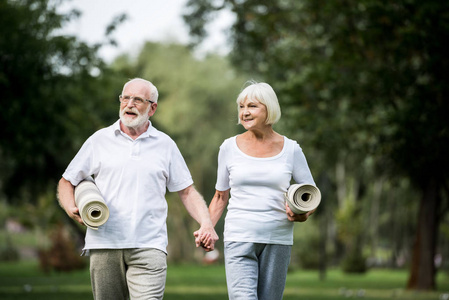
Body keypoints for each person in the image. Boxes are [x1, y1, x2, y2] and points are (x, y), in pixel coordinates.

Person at [57, 78, 218, 300]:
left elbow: (187, 191)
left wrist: (206, 223)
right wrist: (70, 207)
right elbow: (67, 181)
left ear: (152, 108)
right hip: (104, 243)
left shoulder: (165, 144)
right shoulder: (99, 140)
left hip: (149, 245)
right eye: (125, 97)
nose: (129, 104)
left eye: (138, 99)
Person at [203, 81, 317, 300]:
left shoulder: (291, 149)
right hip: (239, 235)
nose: (244, 112)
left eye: (252, 106)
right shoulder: (228, 147)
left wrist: (302, 214)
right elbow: (220, 196)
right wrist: (207, 227)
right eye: (241, 107)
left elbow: (310, 195)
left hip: (278, 238)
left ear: (269, 109)